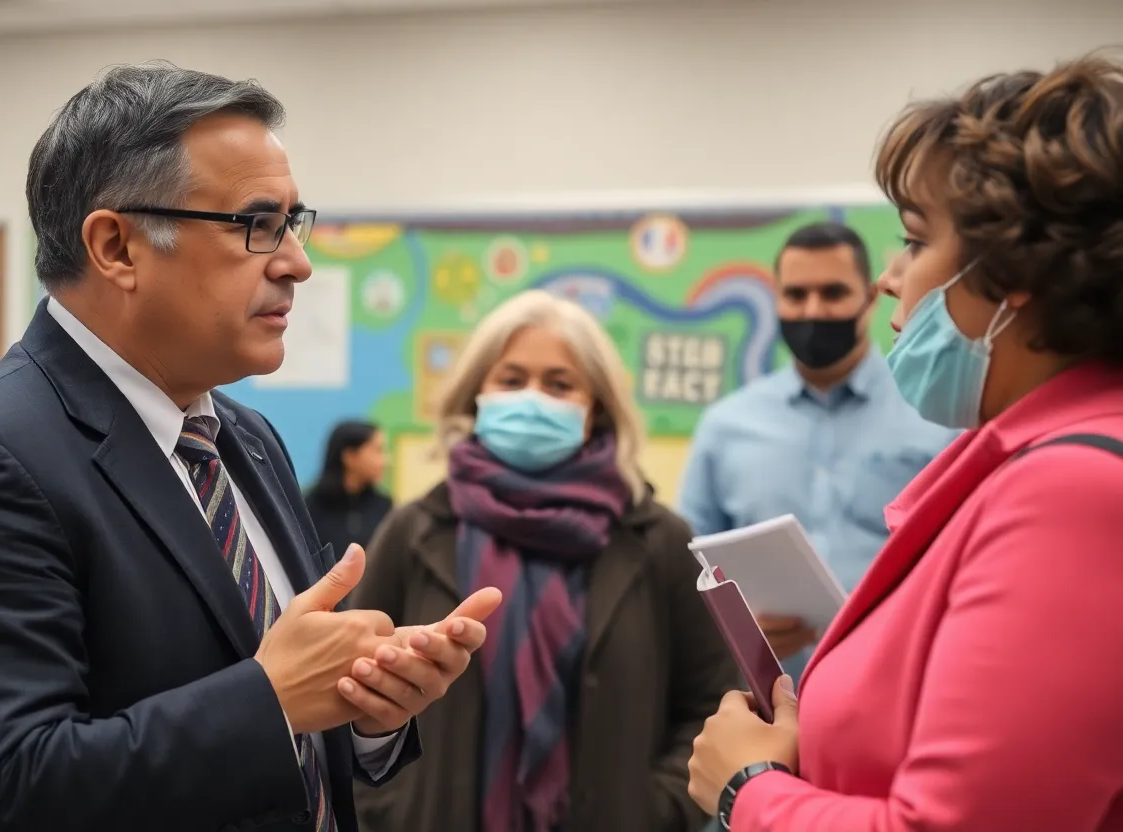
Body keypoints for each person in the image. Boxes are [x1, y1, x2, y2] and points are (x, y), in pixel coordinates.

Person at [0, 62, 502, 832]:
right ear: (117, 247)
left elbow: (294, 729)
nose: (296, 261)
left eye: (295, 222)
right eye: (256, 225)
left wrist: (367, 709)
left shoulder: (243, 439)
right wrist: (270, 698)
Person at [687, 54, 1123, 832]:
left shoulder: (1073, 490)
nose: (892, 278)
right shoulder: (1020, 456)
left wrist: (746, 788)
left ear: (1012, 272)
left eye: (916, 242)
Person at [349, 289, 737, 832]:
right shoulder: (415, 532)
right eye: (511, 379)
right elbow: (354, 693)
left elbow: (712, 701)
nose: (533, 398)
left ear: (594, 405)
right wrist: (389, 811)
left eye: (559, 384)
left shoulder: (657, 539)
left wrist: (657, 810)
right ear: (476, 392)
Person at [677, 222, 957, 680]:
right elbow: (687, 573)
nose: (813, 310)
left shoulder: (934, 410)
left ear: (869, 299)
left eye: (832, 293)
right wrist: (737, 625)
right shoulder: (724, 426)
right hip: (764, 702)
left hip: (898, 686)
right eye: (796, 295)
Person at [304, 420, 394, 560]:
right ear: (349, 456)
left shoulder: (384, 506)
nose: (385, 461)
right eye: (377, 450)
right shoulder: (308, 507)